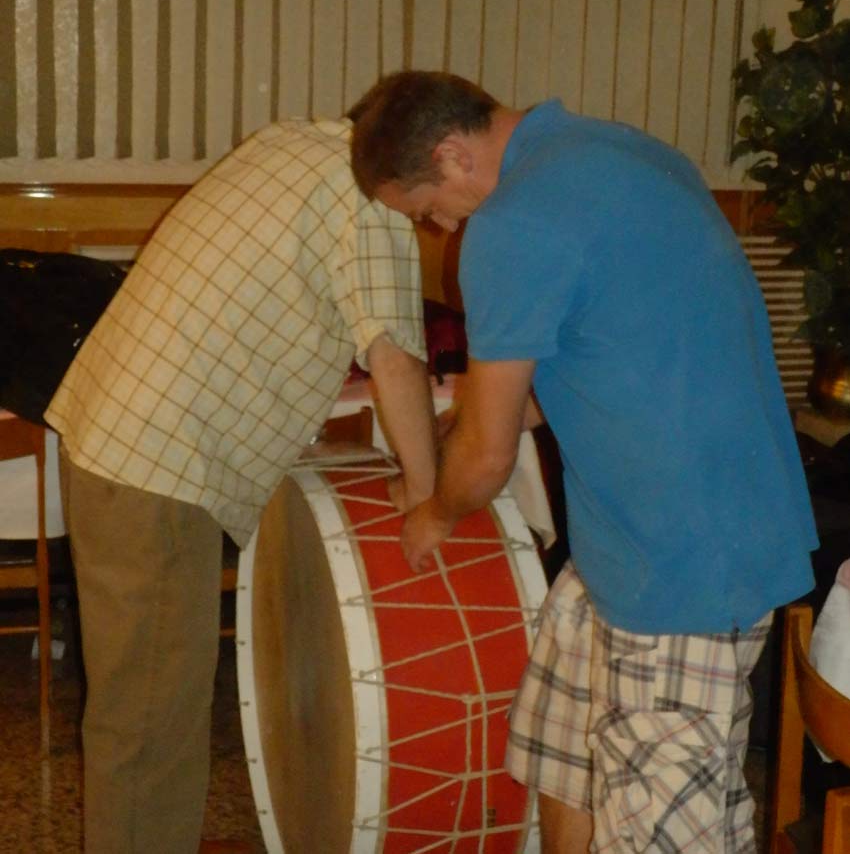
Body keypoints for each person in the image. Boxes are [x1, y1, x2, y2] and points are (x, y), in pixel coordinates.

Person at [349, 70, 818, 854]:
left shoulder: (511, 224)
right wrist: (479, 415)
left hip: (679, 570)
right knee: (562, 752)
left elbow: (489, 456)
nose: (438, 227)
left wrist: (434, 511)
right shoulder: (621, 151)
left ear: (452, 154)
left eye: (427, 208)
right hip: (670, 536)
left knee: (667, 834)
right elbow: (600, 354)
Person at [45, 115, 438, 854]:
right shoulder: (370, 200)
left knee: (132, 718)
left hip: (109, 436)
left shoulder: (293, 141)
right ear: (437, 157)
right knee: (150, 731)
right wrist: (428, 494)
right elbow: (395, 355)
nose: (441, 225)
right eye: (440, 207)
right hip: (159, 469)